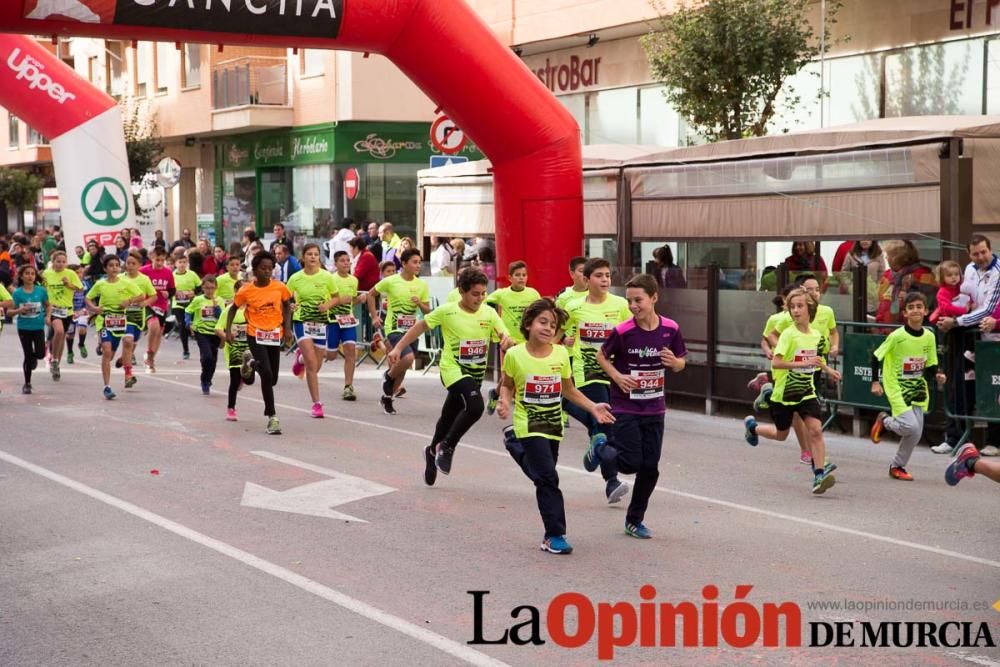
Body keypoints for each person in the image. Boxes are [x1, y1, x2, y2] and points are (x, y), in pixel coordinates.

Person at [496, 298, 615, 554]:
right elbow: (507, 384)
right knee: (549, 477)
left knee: (542, 476)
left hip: (552, 425)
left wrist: (593, 407)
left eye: (553, 325)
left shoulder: (561, 354)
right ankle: (554, 535)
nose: (549, 328)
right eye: (543, 322)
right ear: (528, 324)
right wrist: (504, 402)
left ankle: (514, 444)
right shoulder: (515, 355)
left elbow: (568, 390)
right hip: (528, 424)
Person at [388, 268, 512, 484]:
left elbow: (504, 334)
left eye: (483, 293)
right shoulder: (447, 311)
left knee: (449, 416)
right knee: (475, 406)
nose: (480, 298)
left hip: (475, 373)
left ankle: (431, 450)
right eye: (475, 294)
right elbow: (420, 326)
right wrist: (398, 348)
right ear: (462, 292)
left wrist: (507, 341)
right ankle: (447, 447)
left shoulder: (489, 313)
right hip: (452, 370)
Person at [596, 274, 687, 539]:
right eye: (629, 301)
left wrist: (675, 363)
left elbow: (681, 361)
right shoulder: (624, 331)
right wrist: (617, 376)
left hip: (655, 407)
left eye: (638, 300)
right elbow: (602, 356)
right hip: (626, 405)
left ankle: (634, 521)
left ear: (654, 297)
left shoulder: (670, 328)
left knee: (650, 468)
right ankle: (601, 446)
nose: (633, 306)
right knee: (630, 463)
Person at [743, 288, 841, 494]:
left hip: (806, 392)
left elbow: (817, 359)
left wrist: (828, 369)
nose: (795, 311)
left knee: (815, 430)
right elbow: (778, 363)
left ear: (809, 309)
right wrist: (802, 363)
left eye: (800, 306)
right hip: (785, 395)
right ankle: (753, 428)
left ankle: (819, 475)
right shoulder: (788, 335)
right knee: (781, 435)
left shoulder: (815, 335)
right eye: (792, 307)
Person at [563, 257, 633, 503]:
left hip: (614, 373)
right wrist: (562, 342)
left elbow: (630, 334)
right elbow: (558, 332)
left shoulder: (621, 304)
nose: (605, 280)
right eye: (599, 275)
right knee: (605, 420)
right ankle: (611, 481)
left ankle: (598, 450)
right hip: (587, 372)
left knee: (602, 426)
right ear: (586, 279)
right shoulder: (573, 307)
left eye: (607, 275)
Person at [869, 292, 946, 481]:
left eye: (919, 307)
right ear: (905, 313)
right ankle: (885, 421)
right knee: (910, 426)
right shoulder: (897, 336)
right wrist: (875, 382)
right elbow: (876, 356)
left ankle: (897, 466)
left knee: (916, 433)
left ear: (926, 311)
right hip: (896, 385)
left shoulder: (929, 336)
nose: (916, 311)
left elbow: (931, 363)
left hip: (918, 387)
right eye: (911, 308)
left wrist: (937, 374)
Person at [937, 234, 1000, 456]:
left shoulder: (998, 272)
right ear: (969, 254)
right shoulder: (971, 270)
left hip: (993, 341)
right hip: (972, 338)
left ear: (990, 249)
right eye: (976, 253)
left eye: (984, 252)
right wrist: (946, 312)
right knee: (961, 386)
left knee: (994, 388)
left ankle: (994, 441)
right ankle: (955, 438)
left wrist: (956, 321)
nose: (981, 257)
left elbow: (989, 309)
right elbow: (965, 299)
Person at [225, 251, 293, 435]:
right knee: (267, 373)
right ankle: (272, 417)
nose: (267, 271)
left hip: (274, 334)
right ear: (255, 270)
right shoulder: (246, 290)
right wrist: (228, 329)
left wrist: (287, 328)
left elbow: (287, 305)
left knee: (273, 379)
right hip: (254, 333)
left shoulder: (279, 287)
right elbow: (233, 309)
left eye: (270, 268)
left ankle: (249, 363)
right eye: (263, 268)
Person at [368, 248, 431, 415]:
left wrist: (420, 304)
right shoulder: (391, 281)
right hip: (393, 328)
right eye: (414, 262)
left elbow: (427, 311)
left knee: (403, 368)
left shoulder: (421, 285)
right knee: (407, 357)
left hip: (412, 330)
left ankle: (387, 398)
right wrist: (374, 316)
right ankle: (388, 377)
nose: (418, 265)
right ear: (404, 264)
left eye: (419, 262)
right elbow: (370, 294)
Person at [287, 243, 340, 418]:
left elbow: (336, 298)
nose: (313, 257)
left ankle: (300, 357)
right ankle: (317, 404)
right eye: (309, 254)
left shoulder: (327, 277)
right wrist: (291, 304)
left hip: (321, 323)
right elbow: (286, 299)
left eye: (316, 254)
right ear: (303, 257)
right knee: (311, 363)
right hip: (301, 321)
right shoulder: (295, 278)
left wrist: (327, 305)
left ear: (319, 257)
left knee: (315, 365)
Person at [85, 255, 146, 399]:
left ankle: (122, 363)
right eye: (111, 265)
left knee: (113, 353)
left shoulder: (125, 283)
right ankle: (107, 387)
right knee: (107, 352)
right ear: (105, 268)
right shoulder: (100, 284)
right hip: (104, 320)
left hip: (120, 321)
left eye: (116, 265)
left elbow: (141, 295)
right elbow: (88, 298)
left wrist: (129, 301)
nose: (114, 268)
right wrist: (95, 308)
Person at [485, 260, 541, 414]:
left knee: (524, 370)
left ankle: (496, 394)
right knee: (509, 372)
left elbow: (540, 311)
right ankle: (509, 400)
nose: (521, 278)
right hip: (508, 340)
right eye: (517, 275)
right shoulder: (502, 294)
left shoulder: (533, 293)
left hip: (527, 339)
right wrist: (494, 327)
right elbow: (486, 304)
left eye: (524, 275)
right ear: (510, 278)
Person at [41, 250, 84, 380]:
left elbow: (80, 288)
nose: (61, 264)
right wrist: (45, 307)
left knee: (62, 336)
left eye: (63, 262)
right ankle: (53, 359)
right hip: (52, 309)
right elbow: (42, 290)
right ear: (53, 262)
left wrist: (68, 284)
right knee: (59, 332)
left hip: (67, 310)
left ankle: (56, 364)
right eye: (58, 261)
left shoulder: (70, 273)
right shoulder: (46, 274)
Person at [216, 280, 253, 421]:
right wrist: (227, 336)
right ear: (236, 292)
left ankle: (245, 373)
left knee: (250, 381)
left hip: (249, 349)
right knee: (234, 380)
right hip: (234, 349)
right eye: (241, 290)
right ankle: (231, 408)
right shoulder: (229, 310)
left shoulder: (252, 309)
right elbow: (218, 328)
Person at [875, 240, 936, 325]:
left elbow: (928, 302)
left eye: (888, 255)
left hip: (914, 328)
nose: (886, 258)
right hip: (886, 327)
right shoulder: (887, 275)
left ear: (897, 257)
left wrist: (907, 296)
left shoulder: (923, 275)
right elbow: (881, 300)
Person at [328, 250, 362, 401]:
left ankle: (348, 386)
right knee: (331, 355)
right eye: (342, 260)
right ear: (335, 264)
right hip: (332, 321)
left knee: (350, 351)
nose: (346, 263)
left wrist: (359, 300)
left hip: (348, 321)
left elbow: (351, 301)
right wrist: (339, 301)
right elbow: (324, 302)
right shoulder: (330, 279)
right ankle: (304, 357)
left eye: (348, 260)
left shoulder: (353, 280)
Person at [186, 275, 226, 395]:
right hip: (201, 332)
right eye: (207, 288)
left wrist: (216, 307)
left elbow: (222, 317)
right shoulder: (198, 300)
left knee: (213, 360)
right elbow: (188, 311)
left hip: (215, 333)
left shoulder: (219, 300)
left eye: (212, 288)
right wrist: (189, 323)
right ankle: (204, 380)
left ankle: (208, 379)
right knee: (207, 357)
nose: (210, 290)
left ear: (216, 288)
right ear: (203, 288)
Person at [11, 265, 49, 394]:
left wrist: (48, 317)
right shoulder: (17, 293)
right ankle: (27, 383)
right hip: (24, 328)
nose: (30, 276)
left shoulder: (41, 291)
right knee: (27, 355)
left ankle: (33, 357)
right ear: (21, 276)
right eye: (27, 273)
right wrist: (18, 310)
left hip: (38, 326)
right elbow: (9, 312)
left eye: (32, 273)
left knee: (40, 354)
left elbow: (48, 305)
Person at [138, 246, 175, 373]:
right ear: (151, 258)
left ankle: (151, 359)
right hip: (148, 304)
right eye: (157, 260)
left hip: (162, 306)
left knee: (159, 333)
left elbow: (172, 289)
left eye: (162, 260)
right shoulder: (143, 271)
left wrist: (168, 294)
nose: (159, 263)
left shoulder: (168, 272)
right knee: (154, 327)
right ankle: (149, 355)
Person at [119, 253, 158, 372]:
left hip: (138, 314)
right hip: (124, 313)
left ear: (139, 265)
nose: (130, 266)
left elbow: (153, 296)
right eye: (128, 263)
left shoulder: (144, 279)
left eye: (133, 263)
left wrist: (145, 303)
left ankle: (125, 357)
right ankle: (128, 373)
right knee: (128, 340)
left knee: (133, 342)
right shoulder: (120, 278)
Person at [840, 241, 886, 314]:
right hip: (855, 293)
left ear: (873, 241)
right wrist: (850, 287)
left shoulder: (878, 255)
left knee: (871, 317)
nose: (865, 241)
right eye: (862, 239)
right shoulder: (851, 254)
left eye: (868, 239)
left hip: (872, 294)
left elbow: (882, 273)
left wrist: (877, 287)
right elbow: (844, 273)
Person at [172, 254, 202, 360]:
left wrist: (193, 292)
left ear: (187, 263)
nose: (182, 264)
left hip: (191, 304)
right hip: (178, 304)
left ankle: (201, 345)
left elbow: (200, 286)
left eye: (184, 262)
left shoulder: (192, 274)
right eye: (180, 262)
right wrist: (174, 293)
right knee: (182, 324)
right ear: (175, 264)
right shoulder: (172, 275)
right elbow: (169, 289)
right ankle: (185, 350)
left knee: (194, 325)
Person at [70, 264, 91, 362]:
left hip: (82, 310)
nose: (79, 274)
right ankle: (70, 351)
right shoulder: (67, 284)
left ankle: (81, 344)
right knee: (70, 334)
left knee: (82, 329)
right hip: (69, 311)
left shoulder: (85, 283)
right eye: (77, 272)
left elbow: (88, 297)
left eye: (81, 272)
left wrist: (92, 308)